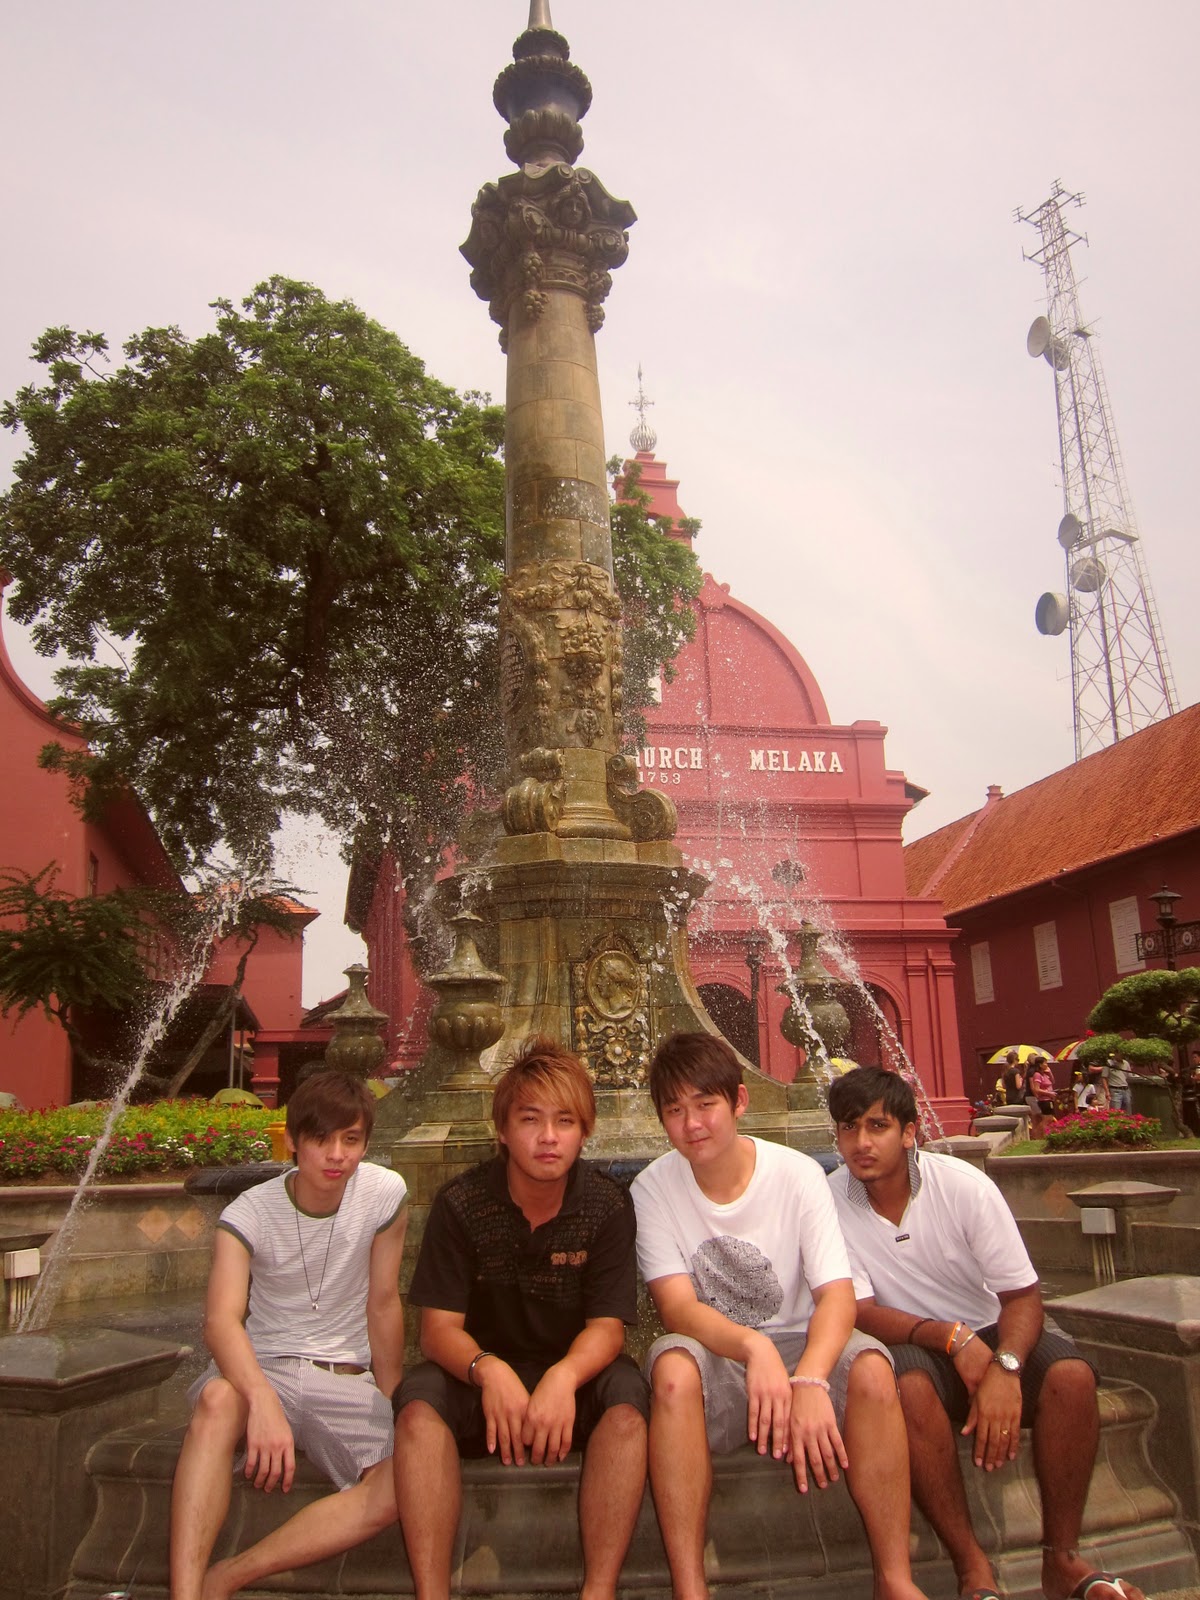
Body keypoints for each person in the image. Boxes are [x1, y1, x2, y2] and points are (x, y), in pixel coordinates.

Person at [828, 1065, 1146, 1600]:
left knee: (1071, 1378)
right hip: (907, 1340)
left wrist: (1006, 1367)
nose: (861, 1143)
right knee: (907, 1390)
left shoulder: (964, 1187)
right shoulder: (829, 1201)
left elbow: (1021, 1296)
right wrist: (952, 1338)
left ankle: (1062, 1559)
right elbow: (857, 1310)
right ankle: (972, 1566)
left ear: (909, 1132)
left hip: (991, 1327)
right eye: (848, 1127)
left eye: (877, 1126)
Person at [631, 1032, 927, 1600]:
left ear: (739, 1101)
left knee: (871, 1368)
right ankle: (690, 1588)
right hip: (719, 1354)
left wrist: (811, 1378)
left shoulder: (796, 1173)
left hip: (802, 1345)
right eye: (674, 1110)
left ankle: (894, 1577)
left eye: (705, 1105)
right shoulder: (653, 1188)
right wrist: (753, 1346)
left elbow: (836, 1295)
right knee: (670, 1372)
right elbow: (678, 1308)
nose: (692, 1124)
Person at [392, 1038, 649, 1600]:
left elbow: (607, 1327)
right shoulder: (462, 1203)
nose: (548, 1137)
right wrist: (488, 1370)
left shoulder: (606, 1204)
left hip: (571, 1380)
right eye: (530, 1120)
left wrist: (563, 1377)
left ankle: (599, 1590)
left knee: (629, 1402)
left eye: (565, 1121)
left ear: (585, 1131)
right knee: (417, 1405)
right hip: (481, 1381)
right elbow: (438, 1331)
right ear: (503, 1130)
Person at [170, 1069, 409, 1600]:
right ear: (294, 1141)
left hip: (342, 1378)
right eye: (321, 1139)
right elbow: (221, 1322)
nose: (337, 1155)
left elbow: (383, 1302)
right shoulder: (249, 1212)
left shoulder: (384, 1194)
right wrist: (262, 1402)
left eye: (351, 1139)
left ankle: (231, 1575)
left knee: (406, 1482)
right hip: (261, 1368)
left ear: (366, 1142)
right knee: (216, 1400)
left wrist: (394, 1398)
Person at [1026, 1056, 1056, 1138]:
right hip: (1044, 1100)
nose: (1047, 1065)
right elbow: (1036, 1089)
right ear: (1040, 1065)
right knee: (1046, 1119)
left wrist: (1049, 1072)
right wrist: (1049, 1093)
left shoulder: (1045, 1074)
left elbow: (1052, 1081)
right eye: (1045, 1063)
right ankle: (1038, 1135)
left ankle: (1043, 1135)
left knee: (1050, 1118)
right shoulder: (1037, 1075)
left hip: (1049, 1099)